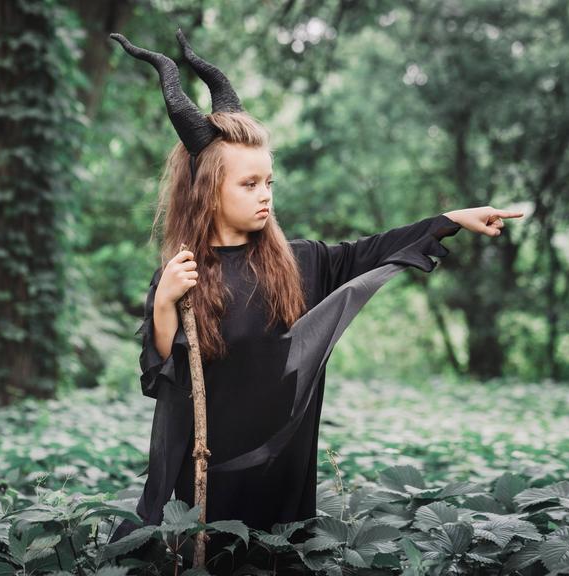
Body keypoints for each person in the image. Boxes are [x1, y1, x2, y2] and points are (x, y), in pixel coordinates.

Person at [106, 29, 524, 562]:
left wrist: (448, 221)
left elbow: (369, 252)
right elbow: (160, 378)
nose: (265, 196)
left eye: (269, 182)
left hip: (280, 479)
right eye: (249, 184)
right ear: (208, 190)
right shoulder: (182, 275)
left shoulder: (298, 262)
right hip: (205, 483)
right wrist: (165, 302)